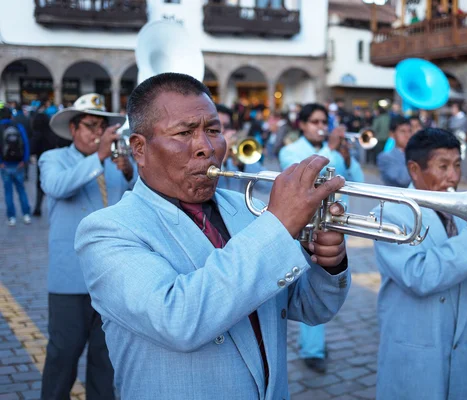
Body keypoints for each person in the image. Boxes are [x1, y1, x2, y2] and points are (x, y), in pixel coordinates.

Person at [74, 73, 351, 398]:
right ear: (139, 149)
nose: (206, 148)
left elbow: (311, 309)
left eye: (213, 131)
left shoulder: (250, 209)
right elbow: (179, 319)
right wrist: (278, 225)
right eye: (184, 132)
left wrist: (328, 264)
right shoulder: (107, 231)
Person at [373, 128, 467, 399]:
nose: (454, 177)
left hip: (461, 356)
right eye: (443, 166)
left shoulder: (464, 214)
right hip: (416, 356)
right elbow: (419, 276)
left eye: (457, 165)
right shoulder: (389, 213)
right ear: (414, 170)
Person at [38, 93, 135, 400]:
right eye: (91, 126)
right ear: (74, 128)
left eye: (103, 127)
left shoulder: (114, 162)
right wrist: (99, 158)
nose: (97, 133)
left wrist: (131, 175)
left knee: (106, 363)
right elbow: (57, 186)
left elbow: (132, 207)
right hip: (70, 280)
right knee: (62, 357)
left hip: (111, 278)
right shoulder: (53, 159)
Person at [279, 102, 363, 374]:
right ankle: (312, 350)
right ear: (302, 125)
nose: (320, 127)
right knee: (308, 287)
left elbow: (358, 180)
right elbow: (312, 174)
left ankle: (317, 344)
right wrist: (332, 148)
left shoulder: (336, 151)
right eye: (314, 122)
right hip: (306, 230)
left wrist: (347, 157)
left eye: (323, 122)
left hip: (335, 224)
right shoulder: (290, 151)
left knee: (328, 287)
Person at [215, 104, 269, 194]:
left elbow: (266, 187)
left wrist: (243, 165)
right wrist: (222, 158)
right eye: (216, 127)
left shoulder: (236, 153)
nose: (222, 131)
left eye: (226, 126)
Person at [0, 106, 32, 226]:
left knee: (8, 192)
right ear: (11, 115)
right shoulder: (18, 126)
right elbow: (26, 143)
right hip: (18, 164)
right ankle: (26, 215)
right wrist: (24, 160)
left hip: (5, 165)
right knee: (21, 190)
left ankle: (11, 217)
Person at [376, 116, 414, 187]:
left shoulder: (414, 153)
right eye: (402, 131)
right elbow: (403, 179)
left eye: (409, 131)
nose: (407, 135)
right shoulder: (385, 157)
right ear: (392, 134)